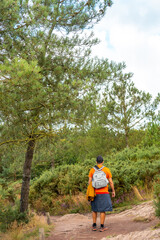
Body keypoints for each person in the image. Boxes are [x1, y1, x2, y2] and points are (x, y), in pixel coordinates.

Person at [88, 155, 115, 232]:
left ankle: (94, 226)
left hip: (95, 192)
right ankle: (102, 227)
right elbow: (111, 182)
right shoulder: (106, 170)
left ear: (96, 162)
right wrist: (113, 191)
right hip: (104, 192)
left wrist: (90, 192)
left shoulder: (92, 170)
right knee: (103, 210)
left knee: (94, 209)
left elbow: (89, 182)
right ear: (103, 162)